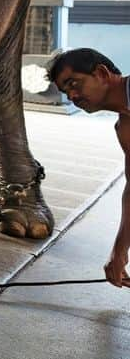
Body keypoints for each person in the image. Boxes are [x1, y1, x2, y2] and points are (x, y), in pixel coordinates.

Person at [48, 48, 130, 288]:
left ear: (102, 74)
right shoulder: (125, 128)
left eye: (74, 83)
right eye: (66, 91)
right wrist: (119, 252)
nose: (72, 95)